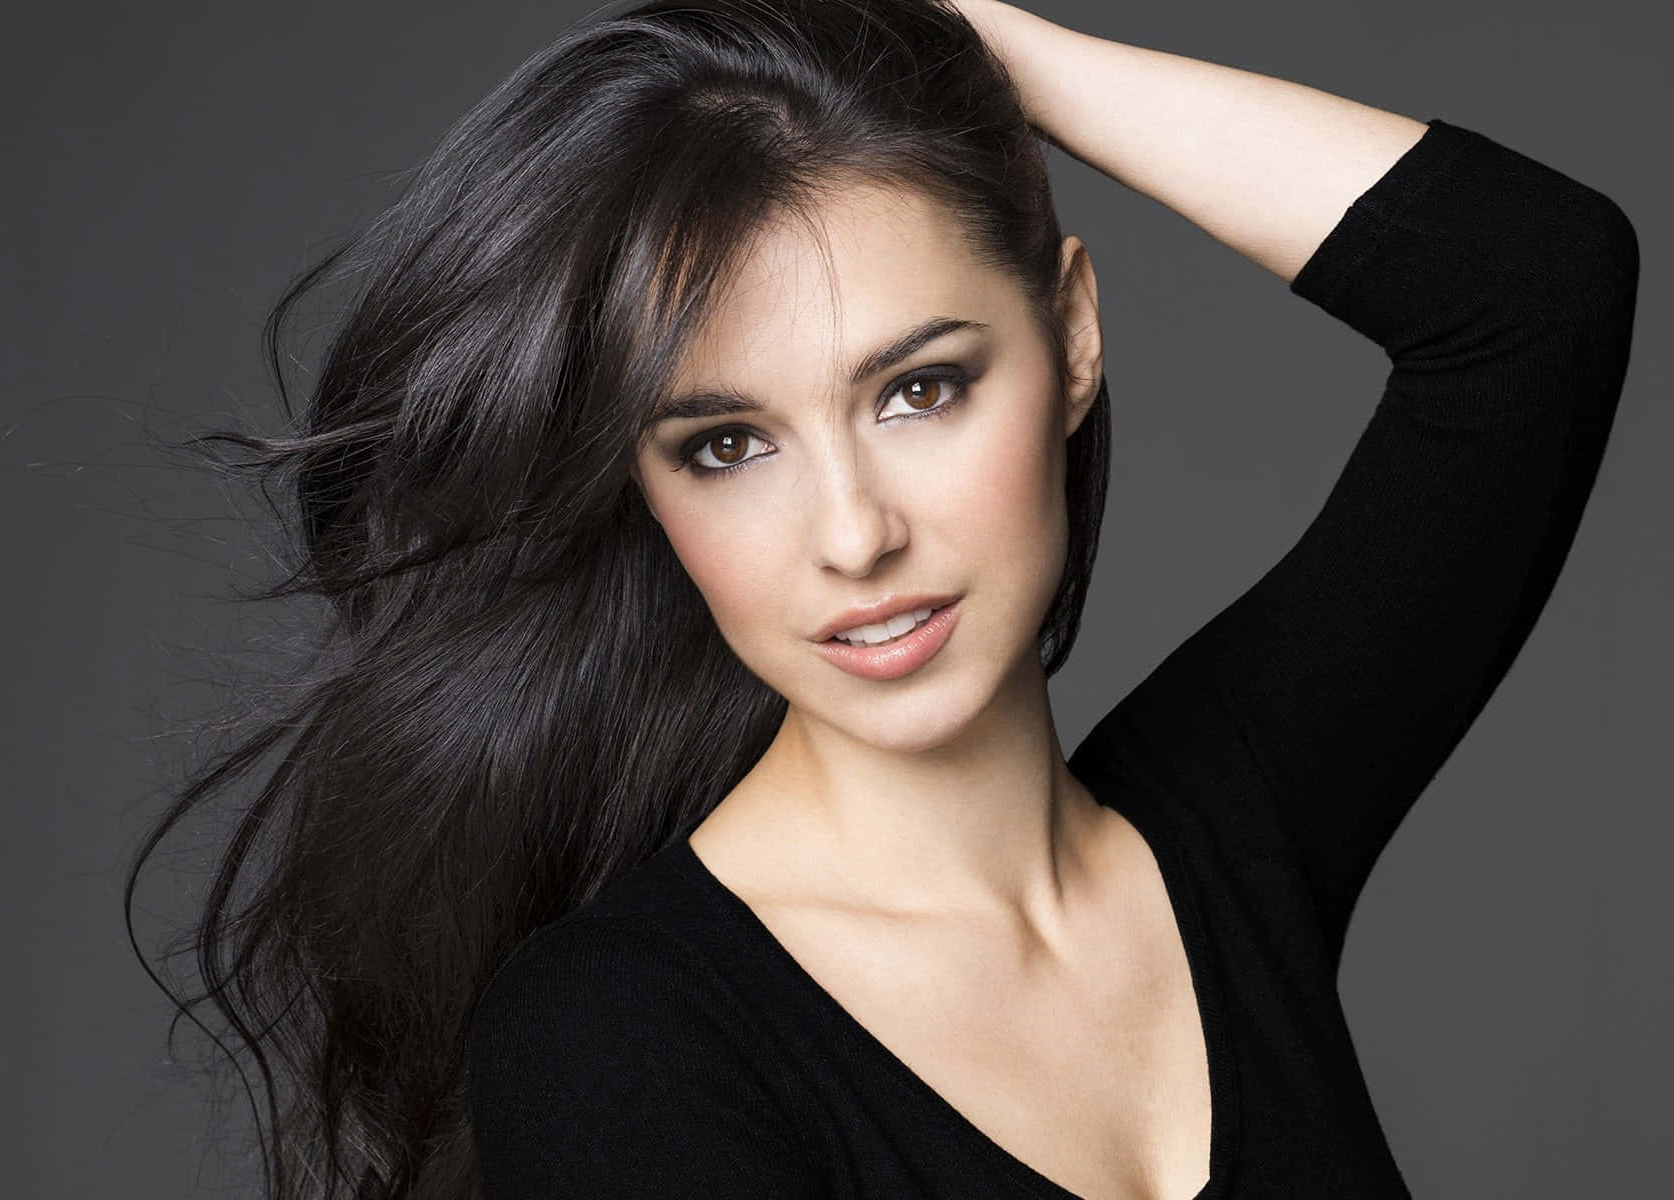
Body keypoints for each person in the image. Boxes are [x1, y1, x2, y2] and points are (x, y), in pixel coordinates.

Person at [126, 1, 1639, 1197]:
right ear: (647, 487)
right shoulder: (620, 1041)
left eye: (919, 389)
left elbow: (1534, 291)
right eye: (726, 445)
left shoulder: (1226, 832)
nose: (852, 535)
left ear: (1072, 337)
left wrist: (979, 44)